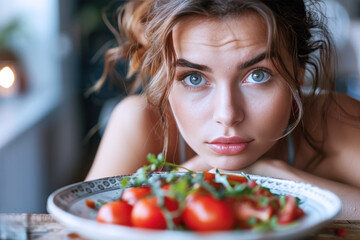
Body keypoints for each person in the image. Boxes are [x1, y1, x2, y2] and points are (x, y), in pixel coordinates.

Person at [86, 0, 360, 219]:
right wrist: (197, 173)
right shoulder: (139, 123)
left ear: (299, 71)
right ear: (163, 78)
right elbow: (84, 220)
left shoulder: (333, 119)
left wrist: (277, 178)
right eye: (194, 78)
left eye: (258, 75)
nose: (227, 115)